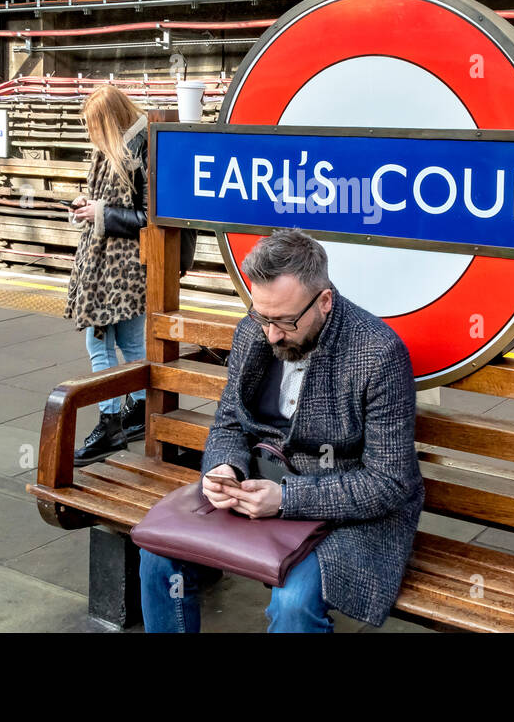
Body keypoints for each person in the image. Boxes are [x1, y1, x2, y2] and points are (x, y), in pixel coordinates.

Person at [138, 228, 424, 631]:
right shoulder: (254, 328)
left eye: (285, 322)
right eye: (262, 316)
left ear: (324, 301)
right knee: (158, 557)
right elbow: (229, 421)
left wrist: (288, 499)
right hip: (256, 486)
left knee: (292, 605)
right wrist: (224, 468)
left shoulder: (377, 353)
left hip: (344, 509)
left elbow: (390, 481)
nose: (271, 334)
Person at [65, 86, 151, 466]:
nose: (90, 134)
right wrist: (90, 205)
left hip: (117, 272)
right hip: (123, 268)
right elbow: (117, 205)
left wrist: (100, 212)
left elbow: (150, 219)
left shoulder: (138, 152)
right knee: (133, 348)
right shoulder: (123, 150)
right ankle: (143, 413)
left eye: (94, 125)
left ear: (111, 121)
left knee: (99, 349)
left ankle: (110, 424)